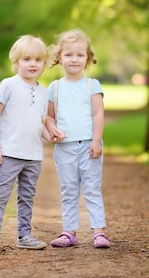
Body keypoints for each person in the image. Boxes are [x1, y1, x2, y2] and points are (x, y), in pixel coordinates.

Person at [0, 35, 53, 253]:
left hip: (33, 155)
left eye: (38, 60)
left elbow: (37, 124)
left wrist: (52, 136)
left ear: (44, 64)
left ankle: (24, 235)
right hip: (9, 153)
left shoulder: (43, 92)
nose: (32, 64)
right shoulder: (8, 85)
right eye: (27, 59)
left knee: (27, 197)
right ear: (16, 62)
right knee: (0, 196)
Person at [44, 29, 110, 249]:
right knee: (69, 189)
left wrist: (96, 141)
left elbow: (98, 114)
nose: (74, 59)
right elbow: (49, 117)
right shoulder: (54, 87)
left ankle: (99, 232)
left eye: (80, 55)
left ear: (88, 58)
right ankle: (69, 232)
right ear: (59, 58)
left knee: (91, 188)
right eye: (69, 55)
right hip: (65, 148)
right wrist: (53, 129)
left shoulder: (92, 85)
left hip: (89, 146)